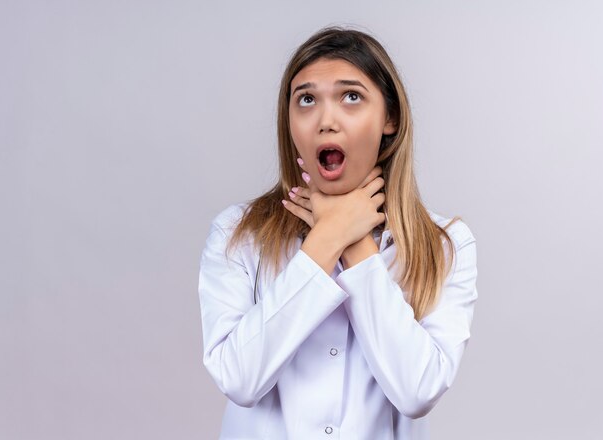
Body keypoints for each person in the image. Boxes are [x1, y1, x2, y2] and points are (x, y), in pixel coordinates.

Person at [198, 26, 478, 439]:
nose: (326, 121)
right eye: (307, 99)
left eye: (351, 97)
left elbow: (417, 391)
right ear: (289, 120)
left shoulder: (444, 244)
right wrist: (325, 242)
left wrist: (356, 244)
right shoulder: (237, 234)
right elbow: (240, 379)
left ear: (390, 118)